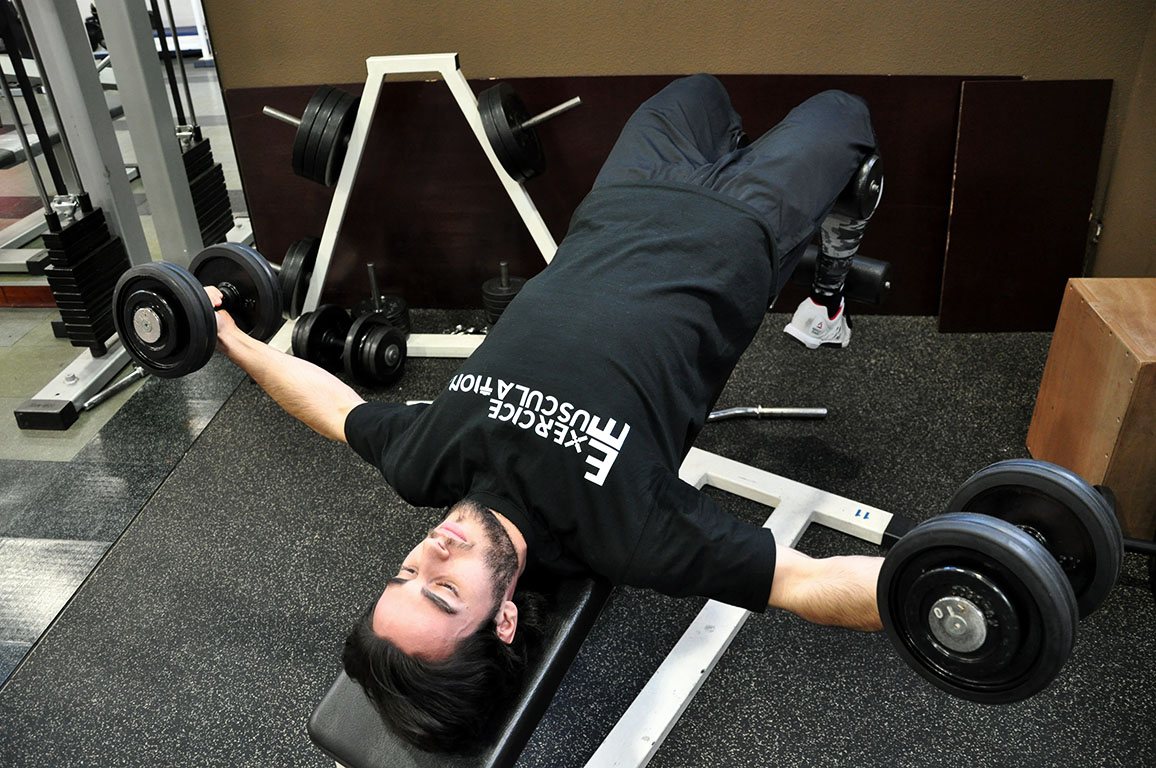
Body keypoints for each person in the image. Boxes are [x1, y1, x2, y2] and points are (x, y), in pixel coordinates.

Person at [211, 74, 883, 753]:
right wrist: (946, 593)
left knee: (701, 91)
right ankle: (828, 280)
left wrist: (232, 341)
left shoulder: (424, 465)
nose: (429, 554)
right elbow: (807, 581)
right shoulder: (625, 534)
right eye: (443, 592)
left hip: (625, 197)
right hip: (746, 223)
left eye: (405, 574)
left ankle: (797, 218)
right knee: (844, 112)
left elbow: (334, 408)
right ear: (503, 620)